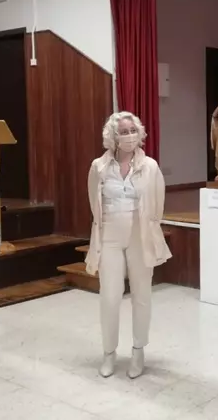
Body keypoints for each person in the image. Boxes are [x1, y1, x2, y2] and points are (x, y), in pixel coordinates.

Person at [85, 111, 171, 379]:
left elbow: (157, 204)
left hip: (139, 237)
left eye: (133, 130)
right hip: (109, 236)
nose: (130, 136)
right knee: (109, 297)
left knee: (141, 295)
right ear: (113, 136)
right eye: (123, 132)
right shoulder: (99, 166)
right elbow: (94, 204)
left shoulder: (150, 166)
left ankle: (138, 350)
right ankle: (109, 352)